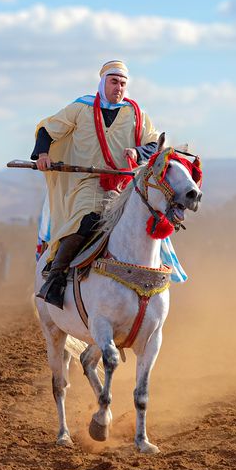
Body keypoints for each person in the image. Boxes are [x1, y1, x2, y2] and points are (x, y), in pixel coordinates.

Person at [32, 60, 160, 308]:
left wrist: (137, 152)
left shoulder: (136, 113)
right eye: (114, 82)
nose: (119, 87)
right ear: (103, 83)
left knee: (147, 223)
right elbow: (48, 130)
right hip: (87, 182)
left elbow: (154, 145)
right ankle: (56, 280)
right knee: (87, 218)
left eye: (123, 83)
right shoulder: (81, 107)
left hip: (124, 186)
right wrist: (43, 154)